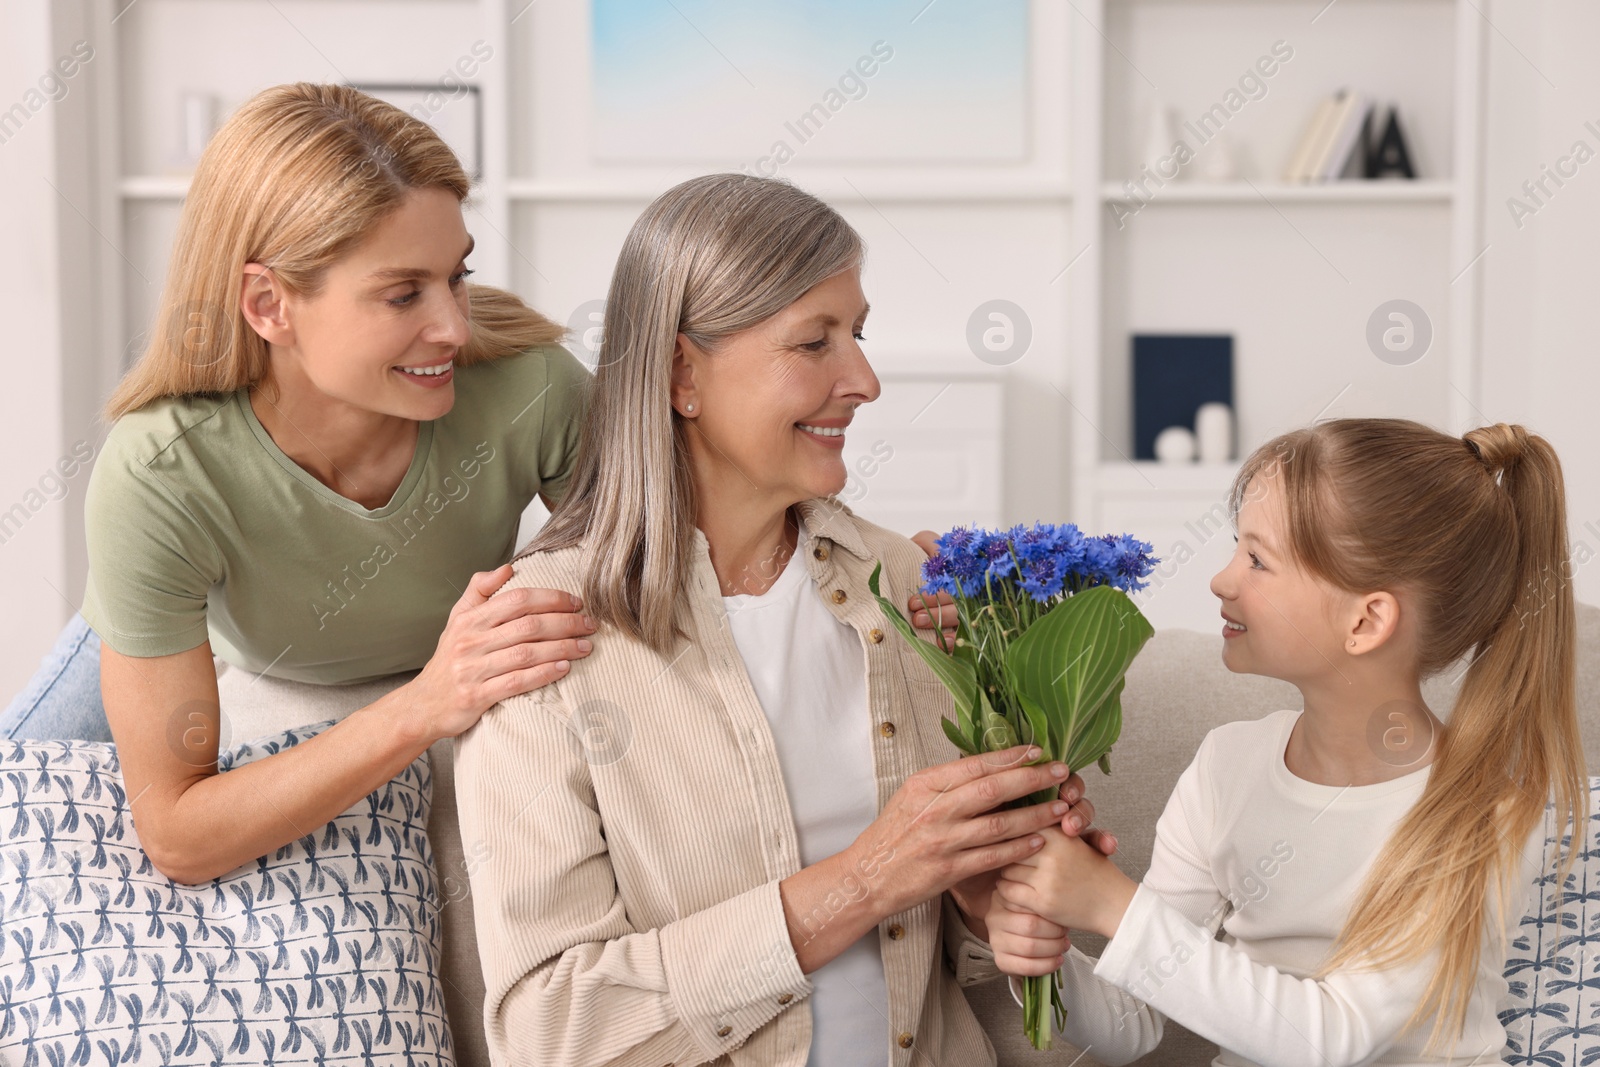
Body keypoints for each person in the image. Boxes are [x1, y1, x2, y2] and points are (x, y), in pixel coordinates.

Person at [452, 173, 1112, 1066]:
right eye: (815, 342)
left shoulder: (913, 589)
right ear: (683, 372)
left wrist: (992, 898)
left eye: (860, 334)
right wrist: (867, 879)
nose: (867, 380)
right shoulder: (543, 640)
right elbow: (551, 1029)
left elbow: (957, 949)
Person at [986, 419, 1588, 1065]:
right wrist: (1039, 951)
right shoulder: (1228, 763)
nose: (1222, 580)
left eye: (1258, 559)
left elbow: (1333, 1039)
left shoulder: (1482, 809)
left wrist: (1110, 901)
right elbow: (1133, 1024)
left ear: (1366, 619)